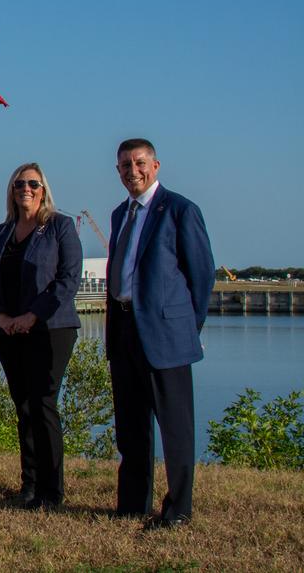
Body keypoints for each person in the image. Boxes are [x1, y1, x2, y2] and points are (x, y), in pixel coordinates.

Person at [106, 138, 214, 530]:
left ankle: (178, 509)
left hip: (166, 335)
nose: (132, 171)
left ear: (155, 166)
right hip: (123, 329)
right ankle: (132, 504)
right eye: (124, 165)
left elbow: (201, 276)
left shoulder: (180, 210)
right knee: (131, 426)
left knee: (175, 427)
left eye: (139, 163)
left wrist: (186, 327)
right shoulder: (120, 214)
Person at [0, 163, 82, 510]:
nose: (26, 188)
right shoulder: (1, 232)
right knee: (22, 405)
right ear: (11, 190)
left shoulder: (60, 226)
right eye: (19, 183)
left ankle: (52, 491)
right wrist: (1, 317)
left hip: (50, 330)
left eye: (33, 184)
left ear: (43, 189)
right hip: (8, 331)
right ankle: (30, 484)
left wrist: (32, 315)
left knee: (42, 404)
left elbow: (68, 280)